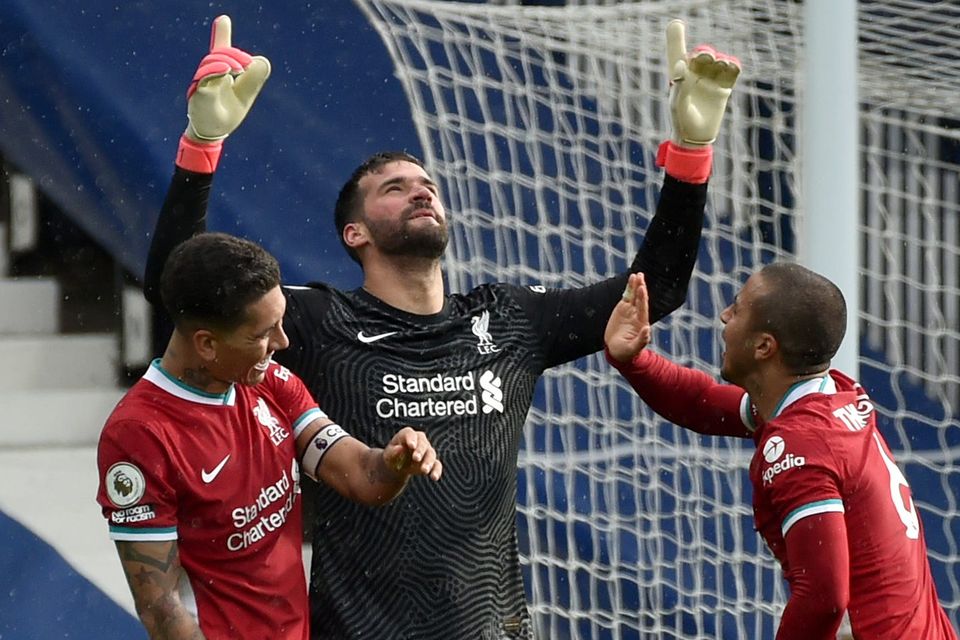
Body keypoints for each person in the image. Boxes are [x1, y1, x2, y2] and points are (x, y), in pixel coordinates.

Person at [143, 15, 741, 639]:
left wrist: (691, 156)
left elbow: (656, 290)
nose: (420, 193)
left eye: (427, 185)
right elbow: (184, 293)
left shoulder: (509, 318)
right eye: (394, 189)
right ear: (356, 234)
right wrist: (201, 147)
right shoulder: (320, 322)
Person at [97, 232, 442, 640]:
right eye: (263, 333)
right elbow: (162, 608)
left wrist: (392, 463)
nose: (282, 342)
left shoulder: (269, 381)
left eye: (280, 323)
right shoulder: (139, 436)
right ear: (207, 344)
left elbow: (360, 475)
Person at [604, 267, 959, 640]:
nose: (724, 316)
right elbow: (702, 401)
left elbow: (825, 598)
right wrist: (634, 359)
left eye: (737, 310)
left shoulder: (801, 444)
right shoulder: (831, 396)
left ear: (764, 347)